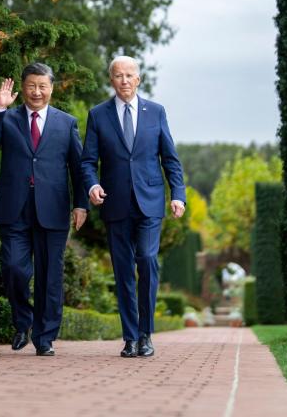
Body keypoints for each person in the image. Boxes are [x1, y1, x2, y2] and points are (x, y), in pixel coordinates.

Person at [0, 63, 88, 357]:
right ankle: (22, 322)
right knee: (14, 269)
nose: (37, 92)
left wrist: (81, 204)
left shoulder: (67, 123)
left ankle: (45, 337)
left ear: (52, 88)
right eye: (31, 86)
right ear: (22, 88)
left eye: (43, 86)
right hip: (14, 208)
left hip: (52, 209)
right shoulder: (9, 119)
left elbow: (79, 169)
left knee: (50, 276)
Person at [80, 56, 185, 358]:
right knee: (123, 269)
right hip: (115, 204)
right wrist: (92, 185)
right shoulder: (98, 115)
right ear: (111, 80)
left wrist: (177, 194)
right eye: (118, 76)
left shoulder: (156, 112)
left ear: (138, 79)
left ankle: (146, 333)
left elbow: (170, 159)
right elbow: (88, 161)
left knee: (148, 259)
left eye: (129, 75)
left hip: (150, 201)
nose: (124, 81)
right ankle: (130, 337)